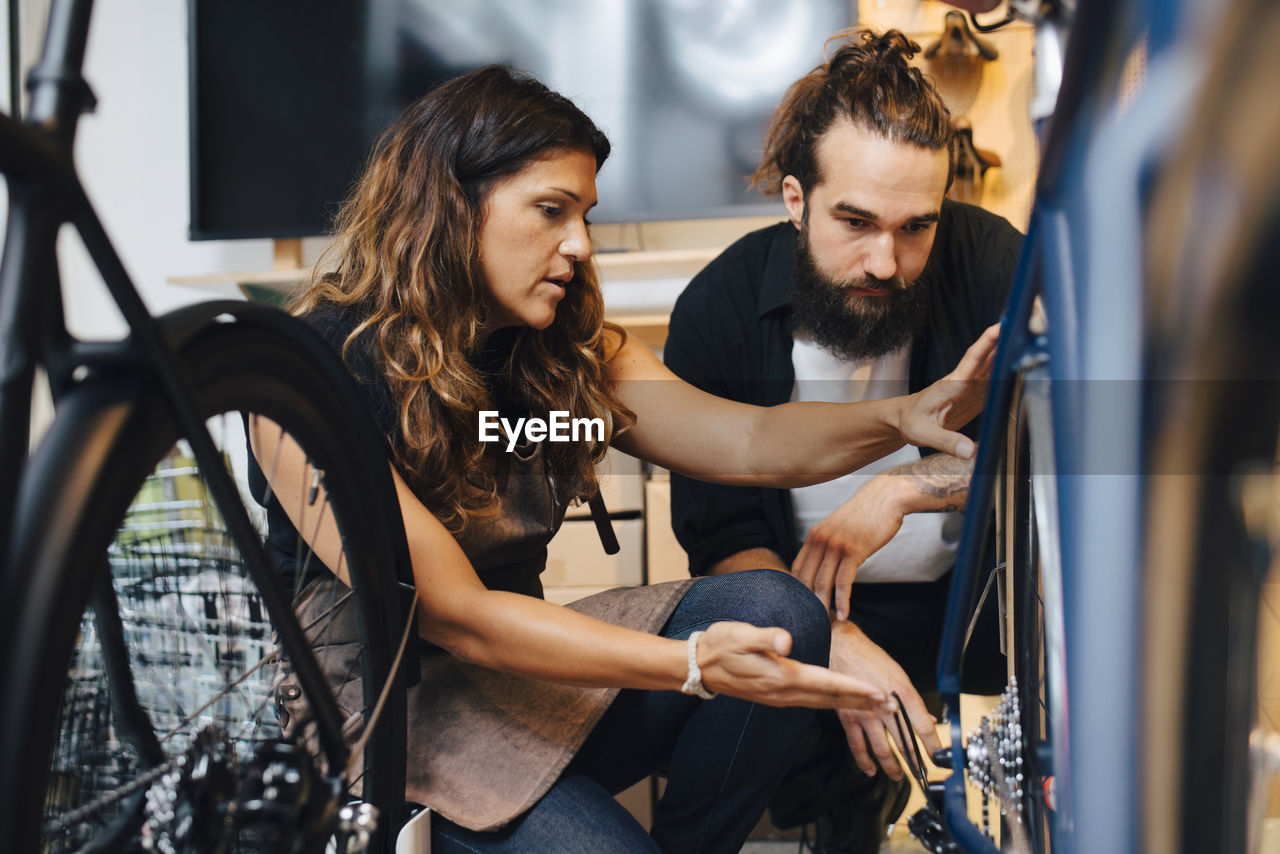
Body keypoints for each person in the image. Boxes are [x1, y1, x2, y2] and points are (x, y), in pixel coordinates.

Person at [254, 64, 998, 853]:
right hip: (388, 723)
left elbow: (748, 442)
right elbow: (462, 617)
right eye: (550, 211)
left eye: (583, 214)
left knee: (782, 611)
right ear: (449, 202)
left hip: (519, 684)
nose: (578, 244)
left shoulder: (563, 351)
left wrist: (903, 417)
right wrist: (690, 663)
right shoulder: (305, 374)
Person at [664, 29, 1022, 852]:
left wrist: (902, 487)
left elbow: (1071, 445)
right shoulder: (716, 308)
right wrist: (839, 641)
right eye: (855, 222)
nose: (887, 262)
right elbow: (723, 537)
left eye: (915, 228)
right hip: (803, 607)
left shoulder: (989, 263)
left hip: (967, 609)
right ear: (796, 200)